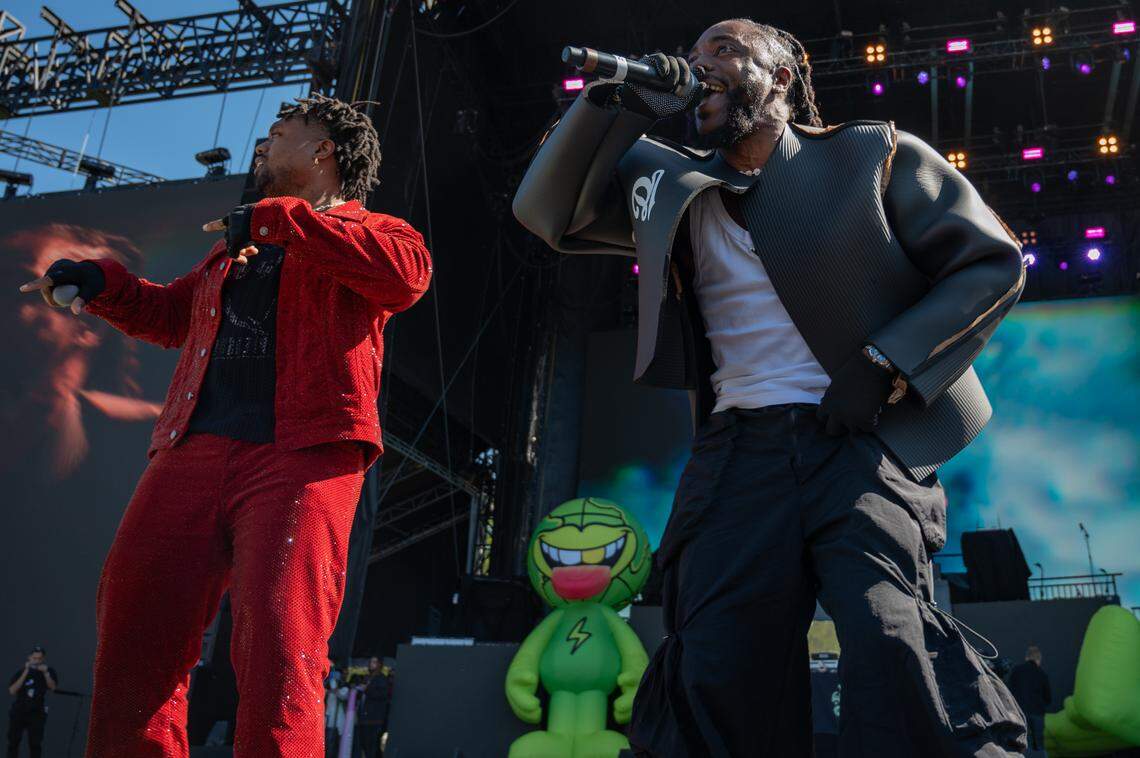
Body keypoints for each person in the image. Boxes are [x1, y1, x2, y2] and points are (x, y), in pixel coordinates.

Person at [514, 17, 1027, 757]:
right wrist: (616, 100)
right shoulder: (672, 184)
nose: (700, 66)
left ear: (780, 76)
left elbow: (992, 261)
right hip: (736, 455)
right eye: (692, 57)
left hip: (856, 443)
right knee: (717, 658)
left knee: (888, 638)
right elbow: (545, 211)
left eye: (724, 51)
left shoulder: (869, 154)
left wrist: (884, 366)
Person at [19, 94, 432, 757]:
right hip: (194, 450)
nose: (263, 144)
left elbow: (406, 278)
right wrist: (102, 282)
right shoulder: (230, 252)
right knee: (134, 623)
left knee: (280, 642)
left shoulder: (379, 233)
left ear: (324, 149)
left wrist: (285, 222)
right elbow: (172, 317)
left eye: (279, 132)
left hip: (303, 455)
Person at [6, 646, 56, 758]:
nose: (36, 661)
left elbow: (53, 687)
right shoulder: (21, 672)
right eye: (34, 658)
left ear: (43, 659)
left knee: (35, 744)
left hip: (36, 713)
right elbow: (12, 690)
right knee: (13, 742)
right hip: (19, 711)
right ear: (29, 658)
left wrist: (46, 673)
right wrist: (26, 671)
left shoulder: (48, 671)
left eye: (39, 659)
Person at [1008, 646, 1052, 752]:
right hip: (1037, 712)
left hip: (1020, 713)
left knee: (1023, 743)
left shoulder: (1016, 671)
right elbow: (1048, 697)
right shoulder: (1042, 674)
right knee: (1040, 743)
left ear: (1027, 658)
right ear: (1038, 659)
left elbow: (1008, 691)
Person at [353, 657, 389, 758]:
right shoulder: (368, 677)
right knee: (364, 745)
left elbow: (382, 695)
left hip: (374, 719)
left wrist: (366, 689)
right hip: (364, 717)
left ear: (379, 664)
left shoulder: (382, 678)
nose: (371, 664)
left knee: (371, 746)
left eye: (374, 662)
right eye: (370, 662)